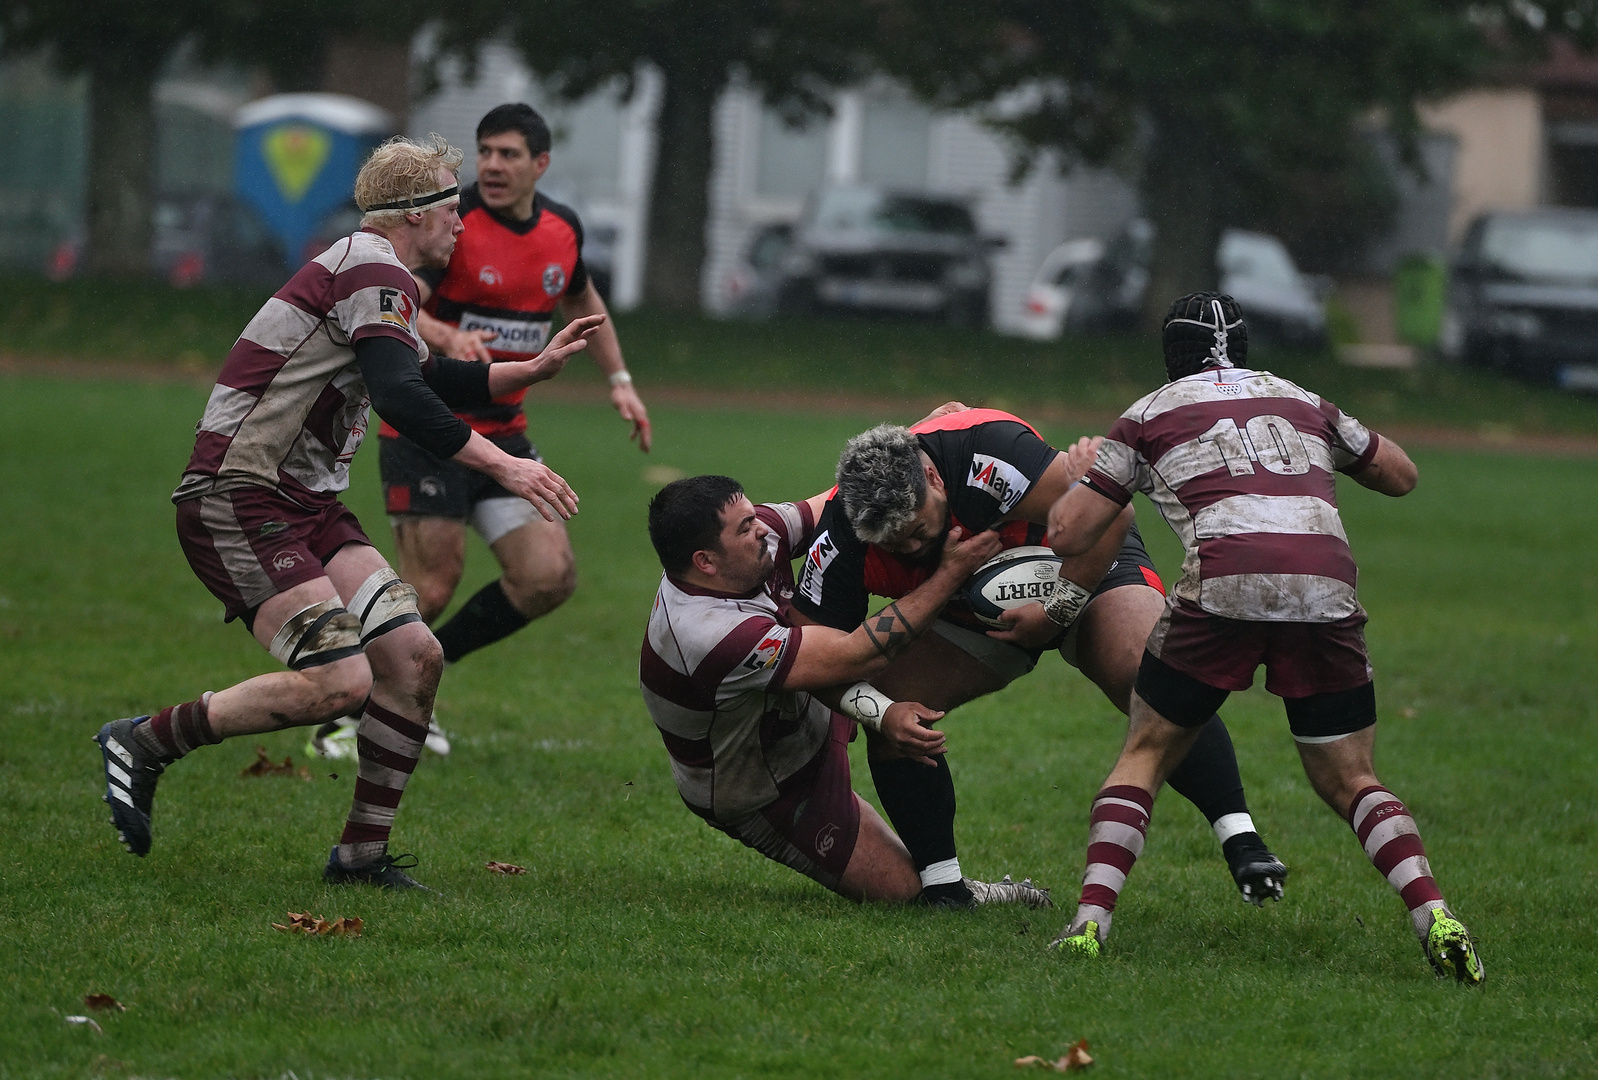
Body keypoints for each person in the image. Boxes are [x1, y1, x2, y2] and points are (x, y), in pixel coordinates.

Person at [94, 134, 603, 889]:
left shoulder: (374, 272)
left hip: (306, 503)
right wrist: (505, 463)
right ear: (411, 216)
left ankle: (361, 857)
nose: (461, 222)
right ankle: (144, 740)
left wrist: (528, 369)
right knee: (340, 684)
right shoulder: (372, 268)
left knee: (415, 658)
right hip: (240, 495)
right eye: (448, 208)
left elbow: (426, 375)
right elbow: (400, 397)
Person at [1045, 292, 1483, 984]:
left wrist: (1084, 472)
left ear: (1170, 358)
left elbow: (1067, 533)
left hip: (1225, 583)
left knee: (1149, 749)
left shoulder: (1150, 414)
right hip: (1326, 587)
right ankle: (1436, 914)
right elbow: (1401, 476)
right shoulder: (1304, 399)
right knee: (1351, 779)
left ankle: (1088, 925)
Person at [790, 406, 1286, 909]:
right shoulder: (843, 534)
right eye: (897, 545)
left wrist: (1058, 608)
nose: (915, 547)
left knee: (1152, 674)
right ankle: (944, 887)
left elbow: (1113, 510)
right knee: (897, 708)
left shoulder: (987, 450)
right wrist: (881, 712)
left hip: (1086, 564)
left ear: (934, 478)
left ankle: (1241, 838)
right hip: (966, 608)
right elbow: (814, 661)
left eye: (919, 529)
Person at [310, 104, 650, 760]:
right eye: (486, 151)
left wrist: (619, 380)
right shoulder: (448, 221)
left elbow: (581, 299)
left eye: (508, 154)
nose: (491, 165)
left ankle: (418, 686)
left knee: (548, 576)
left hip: (506, 432)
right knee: (432, 586)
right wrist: (445, 335)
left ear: (540, 165)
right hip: (429, 424)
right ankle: (345, 705)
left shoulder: (561, 229)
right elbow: (397, 291)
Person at [641, 475, 1052, 906]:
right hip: (766, 788)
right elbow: (856, 656)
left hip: (795, 714)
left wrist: (921, 444)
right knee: (903, 894)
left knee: (866, 687)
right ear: (705, 562)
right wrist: (951, 573)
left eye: (752, 515)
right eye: (744, 527)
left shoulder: (755, 541)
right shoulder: (709, 636)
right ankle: (977, 893)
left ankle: (950, 883)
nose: (761, 526)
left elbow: (841, 498)